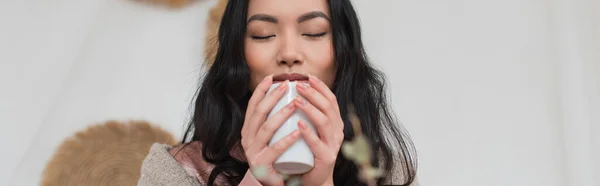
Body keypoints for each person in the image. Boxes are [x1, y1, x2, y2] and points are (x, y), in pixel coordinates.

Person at [138, 0, 418, 185]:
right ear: (238, 54)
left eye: (314, 32)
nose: (289, 54)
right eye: (262, 34)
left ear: (343, 52)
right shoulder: (177, 171)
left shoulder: (388, 172)